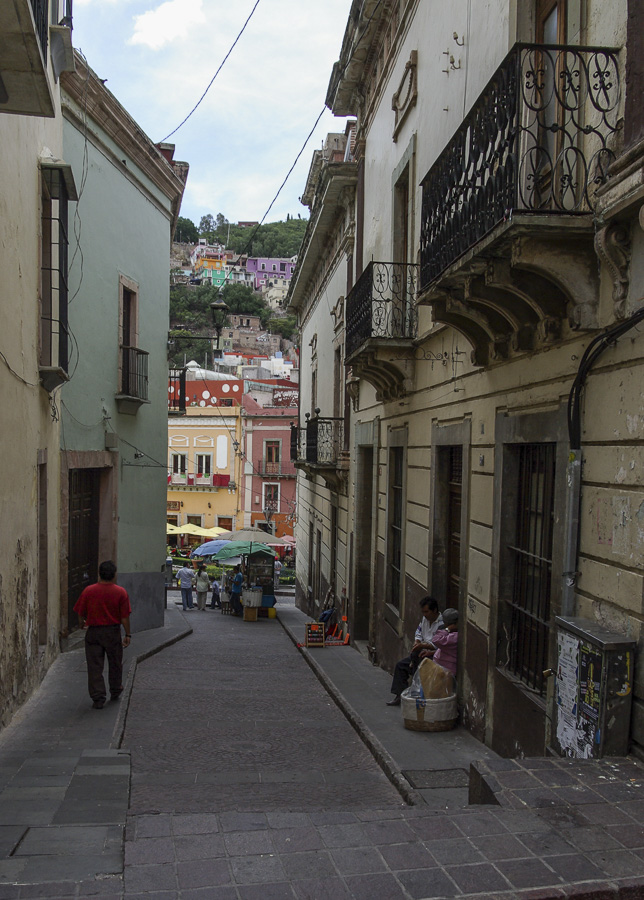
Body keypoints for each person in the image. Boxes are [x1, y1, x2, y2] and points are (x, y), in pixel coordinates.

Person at [73, 560, 132, 709]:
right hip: (112, 632)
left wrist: (81, 623)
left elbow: (80, 611)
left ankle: (98, 697)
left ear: (99, 574)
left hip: (94, 632)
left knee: (94, 666)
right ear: (114, 575)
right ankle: (115, 689)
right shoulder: (120, 592)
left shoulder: (89, 590)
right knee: (115, 663)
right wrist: (128, 634)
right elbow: (124, 617)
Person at [387, 597, 444, 706]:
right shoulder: (424, 620)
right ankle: (399, 695)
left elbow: (438, 644)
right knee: (401, 666)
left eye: (427, 612)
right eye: (423, 612)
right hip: (421, 651)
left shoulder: (441, 624)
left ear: (435, 610)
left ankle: (417, 696)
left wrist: (423, 646)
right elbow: (419, 632)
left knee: (419, 666)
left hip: (433, 655)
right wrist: (417, 641)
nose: (424, 614)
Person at [431, 607, 459, 675]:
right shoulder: (448, 634)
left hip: (446, 669)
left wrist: (447, 629)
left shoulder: (455, 636)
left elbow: (436, 640)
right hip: (439, 666)